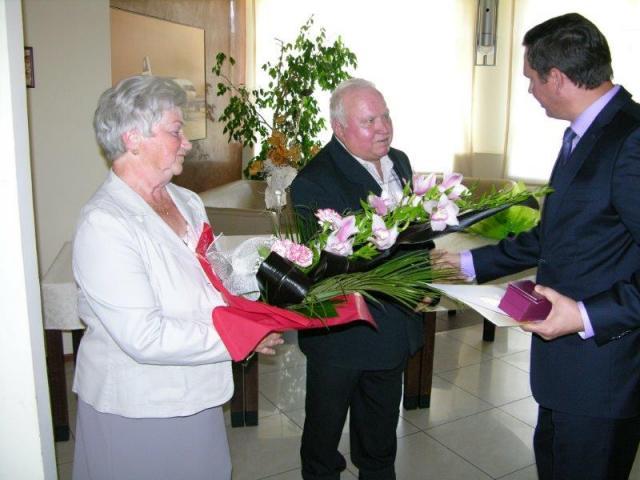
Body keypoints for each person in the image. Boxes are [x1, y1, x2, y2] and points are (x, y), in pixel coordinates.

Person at [440, 13, 640, 480]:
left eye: (531, 78)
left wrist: (585, 315)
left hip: (604, 372)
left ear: (557, 78)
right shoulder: (584, 133)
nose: (529, 90)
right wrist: (465, 263)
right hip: (564, 371)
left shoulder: (630, 140)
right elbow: (556, 236)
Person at [71, 75, 282, 480]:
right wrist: (240, 337)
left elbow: (214, 277)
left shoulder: (186, 201)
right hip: (139, 404)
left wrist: (269, 279)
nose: (187, 143)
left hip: (198, 389)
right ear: (133, 138)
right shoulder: (104, 223)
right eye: (175, 131)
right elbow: (144, 336)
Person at [290, 78, 423, 480]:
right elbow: (327, 265)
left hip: (393, 330)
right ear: (339, 128)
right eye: (369, 121)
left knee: (379, 444)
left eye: (386, 116)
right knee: (322, 444)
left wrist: (423, 281)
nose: (384, 128)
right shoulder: (314, 180)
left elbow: (417, 234)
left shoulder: (400, 162)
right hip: (342, 337)